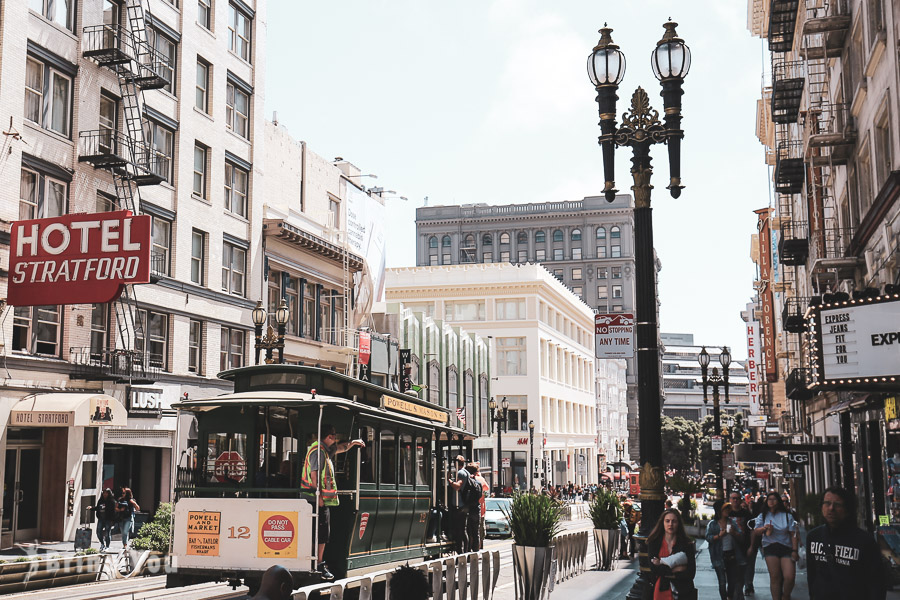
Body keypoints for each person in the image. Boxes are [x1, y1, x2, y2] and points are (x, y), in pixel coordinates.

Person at [300, 424, 364, 581]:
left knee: (322, 534)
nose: (335, 439)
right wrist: (320, 497)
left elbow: (341, 448)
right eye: (334, 436)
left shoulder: (324, 451)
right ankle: (318, 564)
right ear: (329, 437)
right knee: (321, 534)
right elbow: (314, 476)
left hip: (316, 499)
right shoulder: (318, 453)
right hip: (314, 500)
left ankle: (318, 563)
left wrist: (353, 443)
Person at [806, 486, 886, 600]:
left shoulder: (864, 541)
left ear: (847, 509)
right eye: (827, 503)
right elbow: (812, 575)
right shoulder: (814, 537)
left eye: (837, 504)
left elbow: (877, 583)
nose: (831, 508)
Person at [753, 491, 798, 600]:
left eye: (774, 499)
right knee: (775, 577)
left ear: (778, 501)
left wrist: (795, 550)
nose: (771, 501)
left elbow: (793, 534)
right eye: (769, 499)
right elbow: (756, 531)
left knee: (789, 577)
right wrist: (764, 528)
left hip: (786, 547)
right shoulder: (763, 516)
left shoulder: (787, 516)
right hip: (770, 547)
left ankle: (786, 596)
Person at [647, 508, 697, 600]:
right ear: (663, 523)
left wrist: (663, 567)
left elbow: (691, 573)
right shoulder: (654, 543)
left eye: (674, 521)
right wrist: (677, 569)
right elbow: (654, 569)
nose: (670, 524)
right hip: (660, 591)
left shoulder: (686, 544)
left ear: (678, 524)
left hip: (683, 591)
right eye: (667, 521)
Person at [706, 501, 746, 600]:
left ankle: (730, 597)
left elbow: (741, 536)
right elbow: (708, 537)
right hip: (719, 556)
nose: (728, 511)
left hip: (732, 554)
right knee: (722, 582)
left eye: (728, 509)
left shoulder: (731, 522)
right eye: (725, 509)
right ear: (720, 511)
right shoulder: (713, 524)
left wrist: (733, 533)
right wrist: (719, 536)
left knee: (732, 581)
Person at [447, 455, 479, 553]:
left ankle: (462, 552)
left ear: (456, 463)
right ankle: (465, 551)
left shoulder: (461, 473)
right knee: (462, 529)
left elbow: (458, 486)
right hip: (464, 505)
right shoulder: (466, 472)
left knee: (460, 530)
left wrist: (449, 480)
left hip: (460, 506)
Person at [470, 462, 489, 551]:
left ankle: (471, 549)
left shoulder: (470, 479)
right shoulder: (479, 479)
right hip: (480, 509)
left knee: (472, 531)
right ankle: (477, 549)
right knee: (478, 531)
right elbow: (486, 488)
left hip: (471, 507)